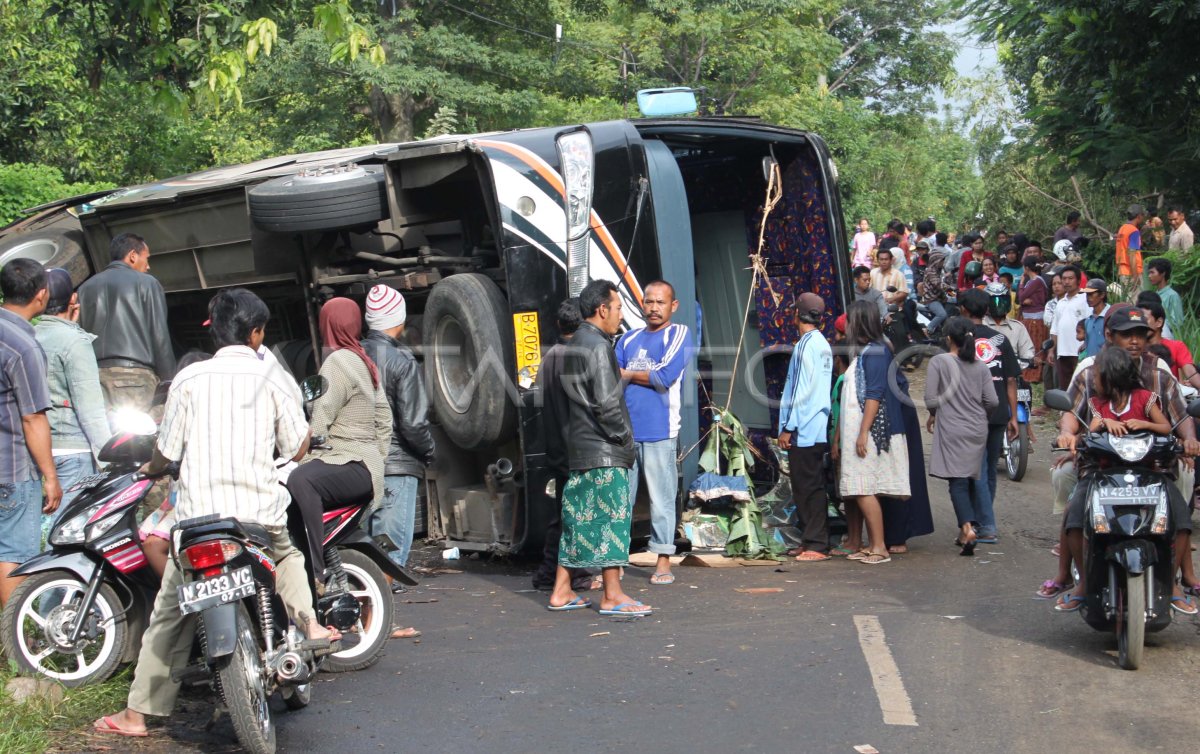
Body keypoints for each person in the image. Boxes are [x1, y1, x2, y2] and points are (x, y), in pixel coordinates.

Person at [92, 287, 335, 739]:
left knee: (169, 612)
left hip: (198, 523)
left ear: (215, 330)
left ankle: (138, 715)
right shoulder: (270, 378)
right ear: (256, 333)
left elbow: (166, 450)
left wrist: (154, 467)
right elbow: (295, 444)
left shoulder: (188, 380)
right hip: (258, 517)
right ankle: (311, 625)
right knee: (289, 559)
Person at [1039, 305, 1200, 601]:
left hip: (1154, 465)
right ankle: (1071, 572)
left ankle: (1177, 577)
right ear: (1111, 336)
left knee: (1185, 483)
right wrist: (1067, 435)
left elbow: (1180, 418)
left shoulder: (1159, 374)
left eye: (1141, 334)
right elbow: (1072, 413)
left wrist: (1189, 441)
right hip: (1099, 464)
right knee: (1066, 483)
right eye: (1127, 335)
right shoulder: (1089, 371)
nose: (1135, 341)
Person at [549, 279, 648, 616]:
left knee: (577, 521)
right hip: (604, 450)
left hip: (580, 449)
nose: (621, 316)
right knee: (611, 521)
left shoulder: (575, 341)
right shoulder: (597, 345)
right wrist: (624, 438)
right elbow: (607, 403)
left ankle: (561, 591)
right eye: (618, 308)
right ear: (602, 309)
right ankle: (612, 595)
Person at [287, 298, 391, 589]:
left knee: (299, 480)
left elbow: (321, 419)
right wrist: (376, 459)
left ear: (327, 325)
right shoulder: (363, 360)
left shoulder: (336, 362)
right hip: (365, 466)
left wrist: (302, 458)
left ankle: (315, 571)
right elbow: (384, 418)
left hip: (346, 459)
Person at [360, 284, 435, 624]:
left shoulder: (351, 355)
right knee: (390, 548)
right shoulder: (402, 360)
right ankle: (381, 624)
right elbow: (414, 422)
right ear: (399, 318)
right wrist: (429, 452)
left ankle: (368, 620)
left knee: (367, 545)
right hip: (395, 463)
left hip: (358, 463)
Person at [616, 280, 691, 585]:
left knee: (661, 499)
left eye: (660, 303)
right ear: (642, 304)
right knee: (621, 499)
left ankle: (663, 560)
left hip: (660, 429)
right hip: (625, 431)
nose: (654, 308)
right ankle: (615, 561)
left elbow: (663, 378)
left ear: (673, 306)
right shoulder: (627, 339)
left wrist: (629, 374)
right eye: (649, 302)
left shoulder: (679, 334)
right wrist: (634, 376)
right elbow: (612, 378)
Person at [0, 260, 61, 606]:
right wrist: (50, 476)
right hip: (11, 467)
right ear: (41, 295)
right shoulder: (23, 346)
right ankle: (16, 643)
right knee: (13, 551)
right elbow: (33, 418)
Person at [33, 268, 111, 529]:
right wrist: (110, 460)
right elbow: (90, 409)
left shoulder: (29, 336)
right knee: (68, 534)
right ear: (73, 299)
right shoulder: (75, 341)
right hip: (72, 451)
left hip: (36, 450)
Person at [833, 302, 910, 565]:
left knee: (864, 487)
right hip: (862, 430)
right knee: (864, 488)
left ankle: (879, 547)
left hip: (872, 432)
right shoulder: (869, 351)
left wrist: (863, 432)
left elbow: (874, 396)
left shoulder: (875, 352)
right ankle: (873, 544)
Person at [532, 299, 597, 594]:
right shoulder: (579, 356)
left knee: (562, 513)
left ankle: (548, 572)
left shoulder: (548, 358)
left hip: (556, 448)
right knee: (577, 515)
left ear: (559, 325)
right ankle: (579, 575)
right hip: (579, 450)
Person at [925, 317, 999, 556]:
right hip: (977, 427)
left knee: (957, 480)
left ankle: (968, 528)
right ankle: (966, 529)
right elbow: (992, 401)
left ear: (948, 339)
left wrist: (936, 412)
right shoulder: (980, 366)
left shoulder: (939, 362)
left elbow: (929, 399)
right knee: (971, 477)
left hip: (952, 427)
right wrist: (981, 415)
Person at [77, 233, 176, 411]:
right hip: (135, 377)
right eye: (147, 259)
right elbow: (159, 334)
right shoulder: (147, 283)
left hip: (94, 378)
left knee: (107, 438)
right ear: (132, 255)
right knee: (141, 436)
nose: (148, 266)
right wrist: (170, 380)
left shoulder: (85, 288)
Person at [777, 293, 833, 562]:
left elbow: (800, 390)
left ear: (797, 314)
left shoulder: (805, 345)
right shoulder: (822, 343)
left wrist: (788, 427)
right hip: (816, 425)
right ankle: (811, 538)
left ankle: (817, 543)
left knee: (807, 486)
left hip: (804, 427)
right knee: (807, 485)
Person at [959, 289, 1019, 543]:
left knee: (978, 470)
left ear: (963, 309)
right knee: (989, 470)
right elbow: (1011, 381)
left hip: (972, 412)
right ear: (986, 311)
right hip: (998, 412)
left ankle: (986, 525)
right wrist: (1013, 417)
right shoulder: (1000, 339)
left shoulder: (958, 339)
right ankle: (983, 520)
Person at [1141, 299, 1200, 389]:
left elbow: (1191, 373)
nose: (1140, 324)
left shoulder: (1177, 346)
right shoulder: (1134, 348)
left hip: (1169, 397)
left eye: (1144, 319)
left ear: (1159, 322)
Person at [1049, 265, 1089, 389]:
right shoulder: (1060, 303)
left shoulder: (1085, 300)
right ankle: (1066, 409)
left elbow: (1088, 325)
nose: (1066, 282)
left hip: (1079, 351)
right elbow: (1055, 329)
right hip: (1062, 351)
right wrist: (1051, 350)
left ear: (1077, 280)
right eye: (1064, 279)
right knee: (1065, 386)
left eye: (1070, 278)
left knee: (1081, 385)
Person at [1017, 255, 1049, 384]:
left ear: (1026, 268)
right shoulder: (1034, 281)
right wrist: (1025, 302)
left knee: (1034, 346)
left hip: (1035, 318)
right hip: (1030, 317)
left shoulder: (1035, 281)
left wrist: (1020, 283)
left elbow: (1021, 297)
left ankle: (1034, 373)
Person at [919, 242, 950, 336]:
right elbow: (938, 284)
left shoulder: (939, 270)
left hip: (940, 297)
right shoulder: (930, 271)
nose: (943, 263)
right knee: (942, 314)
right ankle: (929, 329)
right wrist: (949, 288)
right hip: (931, 299)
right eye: (941, 261)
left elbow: (946, 281)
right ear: (936, 260)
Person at [1145, 258, 1183, 335]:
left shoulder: (1172, 295)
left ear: (1163, 273)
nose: (1149, 276)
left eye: (1152, 272)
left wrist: (1155, 323)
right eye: (1149, 273)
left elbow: (1177, 322)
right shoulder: (1154, 295)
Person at [1115, 204, 1145, 293]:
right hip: (1131, 273)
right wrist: (1135, 277)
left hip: (1123, 271)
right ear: (1139, 216)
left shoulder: (1122, 228)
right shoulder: (1134, 231)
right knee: (1135, 304)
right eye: (1142, 215)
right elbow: (1132, 254)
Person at [1077, 278, 1110, 358]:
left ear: (1102, 295)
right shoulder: (1088, 320)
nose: (1088, 298)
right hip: (1091, 366)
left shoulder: (1111, 315)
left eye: (1091, 294)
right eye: (1087, 294)